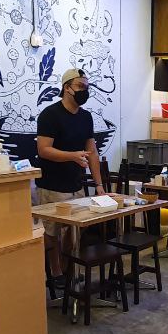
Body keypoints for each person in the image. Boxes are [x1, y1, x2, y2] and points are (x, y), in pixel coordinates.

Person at [35, 68, 105, 280]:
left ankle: (67, 268)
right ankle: (55, 272)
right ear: (67, 88)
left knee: (75, 229)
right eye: (80, 86)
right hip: (52, 185)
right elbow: (44, 150)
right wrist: (72, 156)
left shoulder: (86, 117)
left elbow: (92, 151)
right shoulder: (50, 115)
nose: (84, 90)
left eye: (87, 87)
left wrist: (99, 185)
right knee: (52, 232)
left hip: (76, 184)